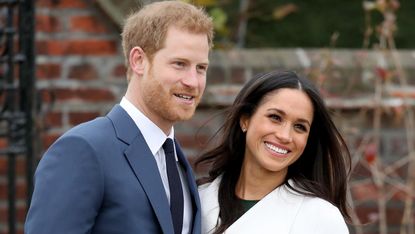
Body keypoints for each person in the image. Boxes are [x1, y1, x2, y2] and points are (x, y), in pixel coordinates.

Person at [25, 1, 213, 234]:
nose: (193, 81)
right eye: (179, 64)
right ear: (138, 61)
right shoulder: (83, 149)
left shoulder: (177, 160)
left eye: (201, 68)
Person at [195, 71, 351, 234]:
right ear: (245, 120)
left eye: (300, 127)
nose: (285, 136)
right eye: (275, 117)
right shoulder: (198, 200)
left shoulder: (321, 218)